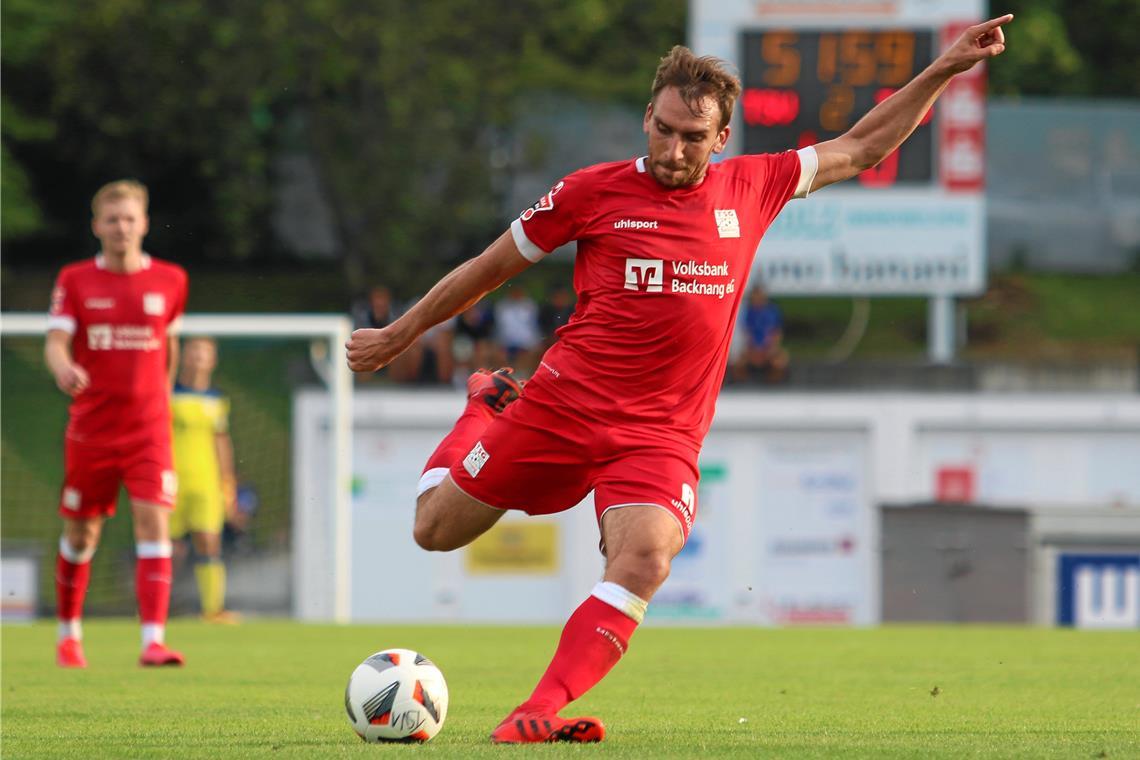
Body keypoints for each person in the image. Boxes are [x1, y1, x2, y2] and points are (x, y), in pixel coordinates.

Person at [346, 18, 1012, 743]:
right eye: (663, 130)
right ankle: (482, 409)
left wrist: (946, 67)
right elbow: (487, 269)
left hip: (658, 436)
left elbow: (862, 145)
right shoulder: (588, 192)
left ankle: (537, 708)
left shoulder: (753, 187)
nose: (673, 149)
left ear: (721, 138)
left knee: (646, 557)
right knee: (433, 531)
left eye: (693, 137)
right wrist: (400, 333)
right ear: (647, 118)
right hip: (558, 408)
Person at [46, 179, 189, 668]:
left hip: (148, 429)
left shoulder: (171, 280)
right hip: (92, 429)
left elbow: (169, 347)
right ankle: (69, 634)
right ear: (97, 227)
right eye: (112, 219)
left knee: (154, 522)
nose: (122, 227)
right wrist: (63, 367)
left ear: (144, 223)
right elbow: (55, 341)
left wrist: (162, 400)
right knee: (82, 534)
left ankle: (153, 640)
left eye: (130, 218)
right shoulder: (75, 279)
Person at [171, 336, 241, 623]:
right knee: (168, 548)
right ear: (184, 356)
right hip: (172, 479)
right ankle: (153, 611)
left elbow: (221, 442)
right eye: (194, 351)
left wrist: (228, 483)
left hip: (207, 482)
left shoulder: (217, 400)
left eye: (206, 352)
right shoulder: (168, 393)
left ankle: (213, 610)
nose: (199, 357)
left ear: (213, 360)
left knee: (209, 542)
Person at [735, 284, 789, 383]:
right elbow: (746, 332)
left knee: (780, 360)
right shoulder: (748, 312)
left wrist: (771, 348)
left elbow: (777, 332)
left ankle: (774, 383)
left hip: (768, 347)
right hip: (753, 348)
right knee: (739, 361)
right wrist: (753, 349)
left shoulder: (772, 311)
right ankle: (742, 383)